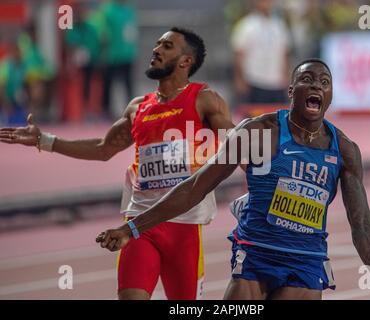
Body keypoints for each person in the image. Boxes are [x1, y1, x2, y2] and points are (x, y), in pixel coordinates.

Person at [95, 58, 370, 300]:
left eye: (324, 82)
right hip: (256, 255)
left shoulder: (345, 151)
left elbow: (362, 222)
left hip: (306, 262)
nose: (316, 86)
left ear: (329, 95)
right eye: (307, 80)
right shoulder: (260, 133)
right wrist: (133, 226)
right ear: (291, 92)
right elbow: (195, 187)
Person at [0, 27, 234, 300]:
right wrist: (45, 140)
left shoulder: (204, 100)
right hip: (137, 226)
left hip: (184, 229)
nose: (156, 49)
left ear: (186, 61)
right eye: (157, 44)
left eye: (167, 46)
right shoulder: (138, 107)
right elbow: (103, 148)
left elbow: (241, 145)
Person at [231, 0, 291, 105]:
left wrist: (286, 77)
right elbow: (239, 54)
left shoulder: (279, 25)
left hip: (277, 83)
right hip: (255, 82)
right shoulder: (246, 25)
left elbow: (284, 53)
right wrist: (239, 78)